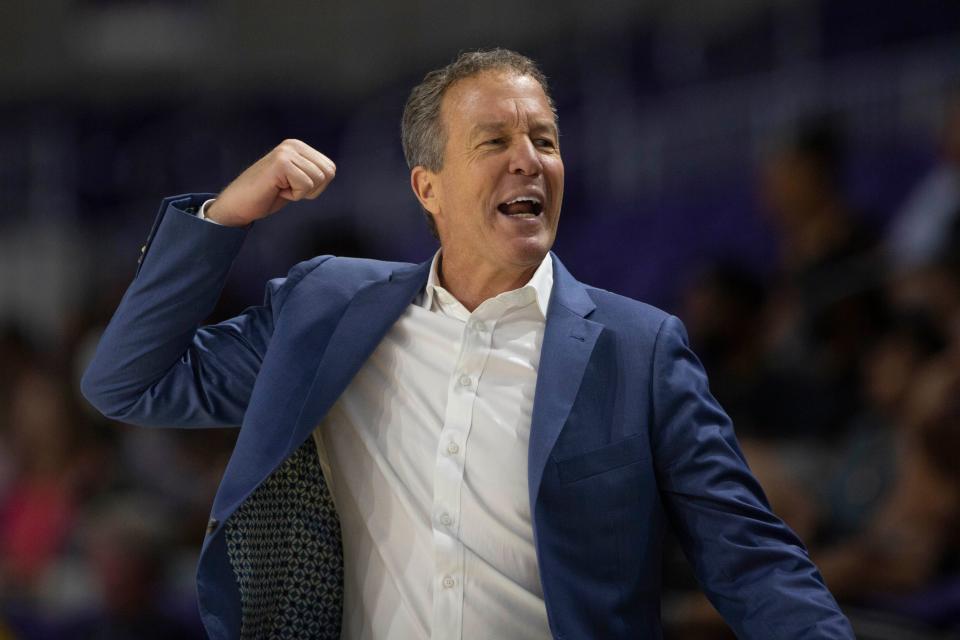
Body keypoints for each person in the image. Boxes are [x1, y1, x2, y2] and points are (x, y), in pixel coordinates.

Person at [81, 49, 853, 639]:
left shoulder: (640, 348)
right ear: (429, 187)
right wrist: (224, 218)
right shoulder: (327, 309)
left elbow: (752, 560)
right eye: (494, 140)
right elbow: (127, 381)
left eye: (543, 140)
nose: (529, 159)